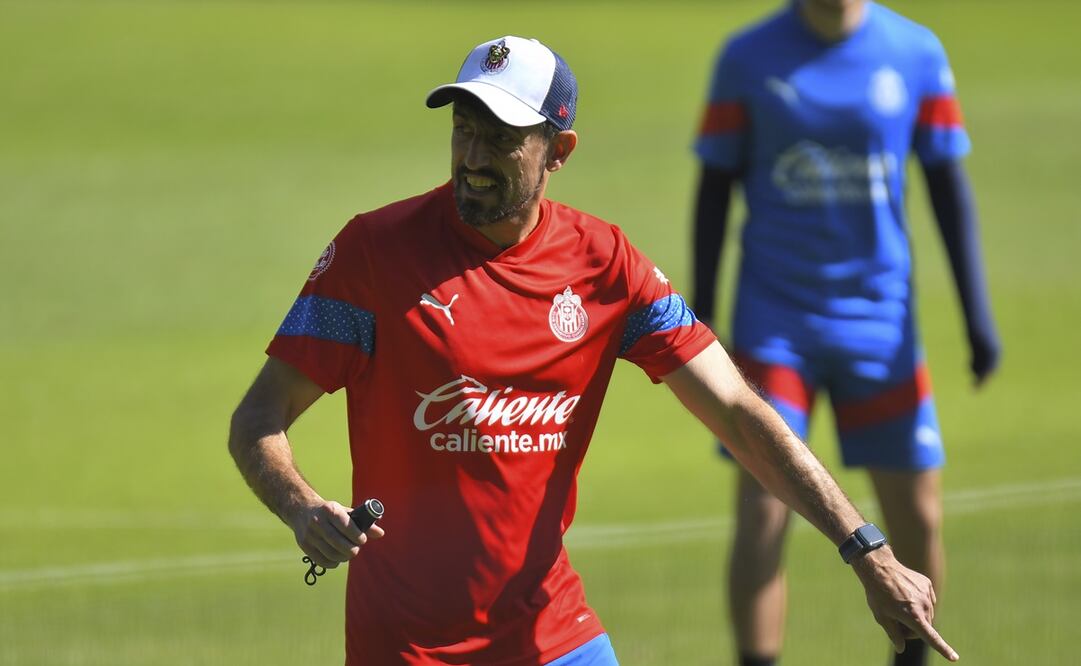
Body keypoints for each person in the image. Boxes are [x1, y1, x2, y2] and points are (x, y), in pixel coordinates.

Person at [229, 35, 958, 666]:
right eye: (463, 130)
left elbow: (736, 410)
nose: (474, 157)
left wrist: (865, 548)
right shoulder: (373, 255)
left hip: (556, 637)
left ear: (559, 151)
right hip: (407, 649)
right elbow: (259, 417)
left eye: (502, 138)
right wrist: (301, 510)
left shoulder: (605, 264)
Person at [692, 2, 1000, 665]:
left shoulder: (915, 51)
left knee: (916, 516)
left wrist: (977, 317)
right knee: (762, 509)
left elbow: (945, 181)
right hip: (774, 323)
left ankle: (912, 657)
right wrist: (702, 309)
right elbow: (714, 183)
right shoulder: (745, 56)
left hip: (878, 323)